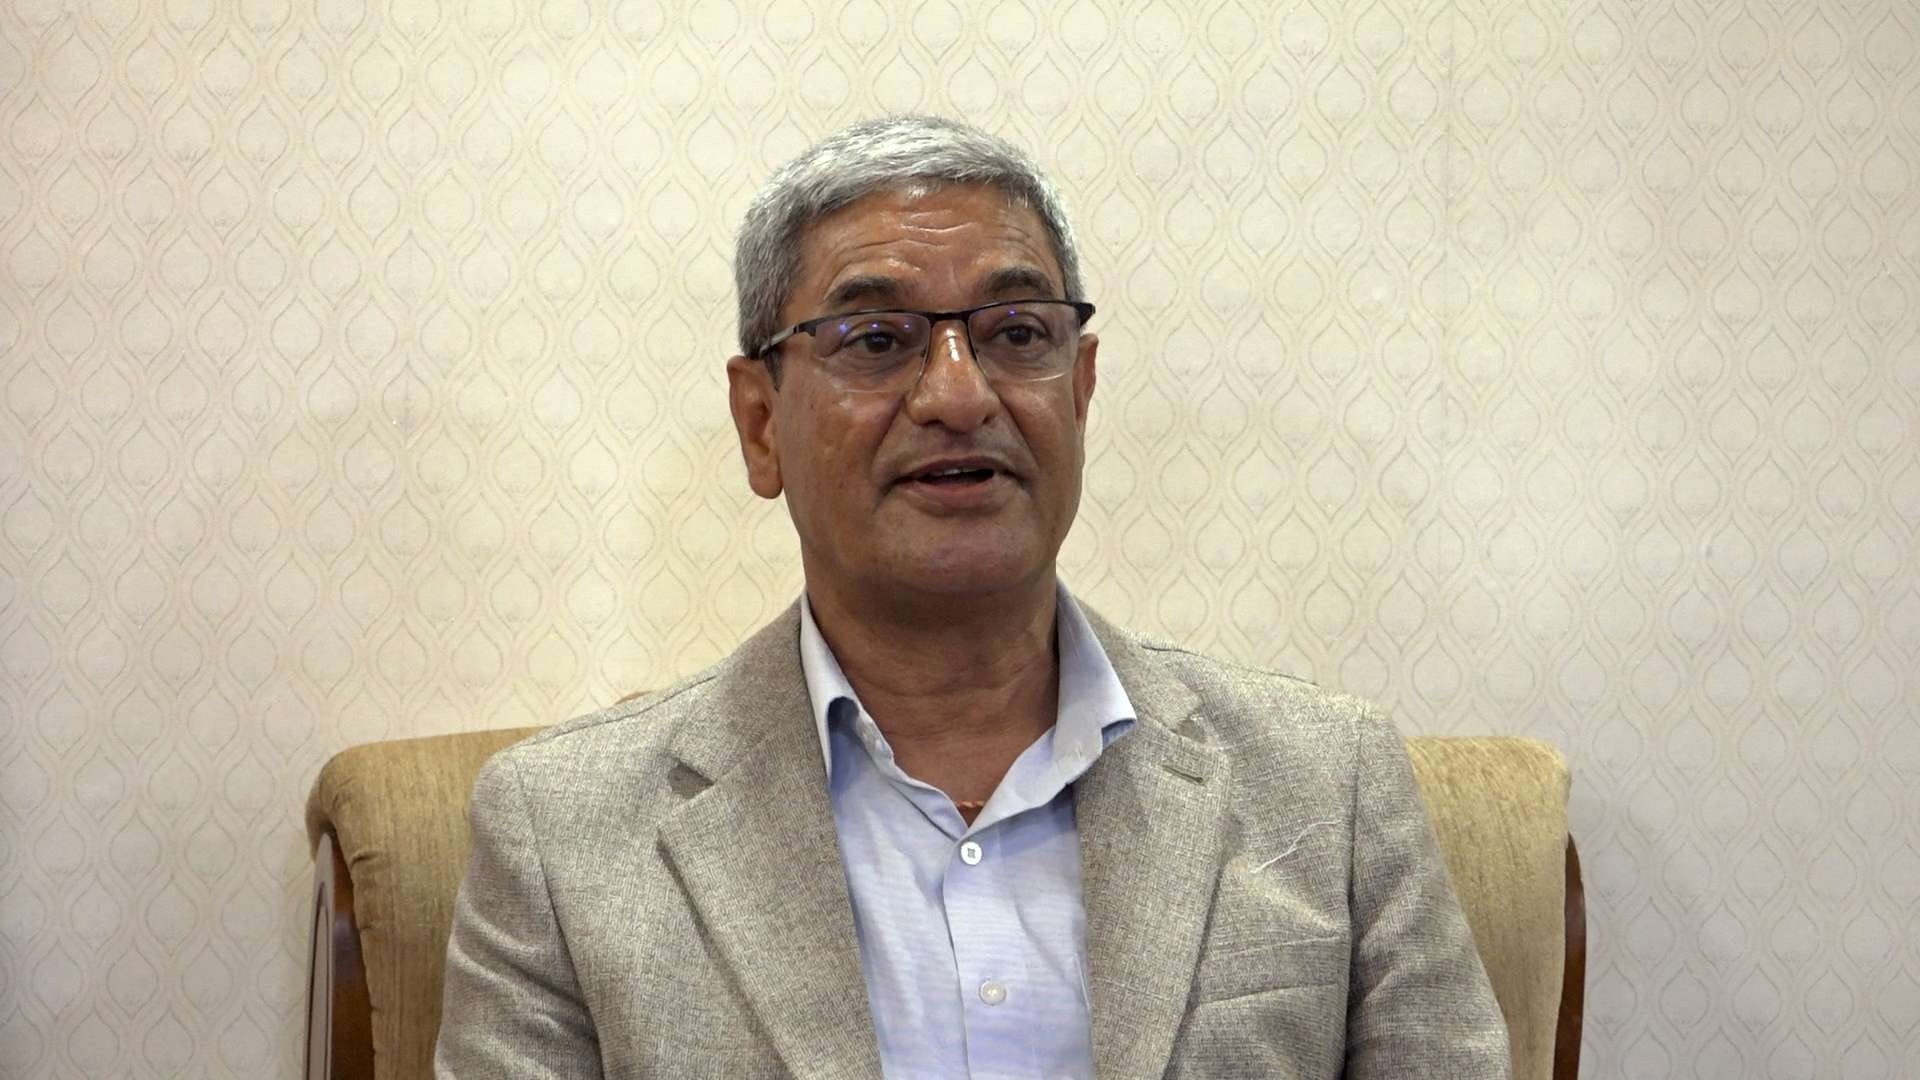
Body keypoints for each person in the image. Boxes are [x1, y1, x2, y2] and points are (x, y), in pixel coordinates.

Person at [435, 115, 1511, 1079]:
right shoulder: (563, 835)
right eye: (876, 341)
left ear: (1080, 391)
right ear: (761, 425)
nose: (958, 394)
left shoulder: (1329, 787)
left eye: (1017, 334)